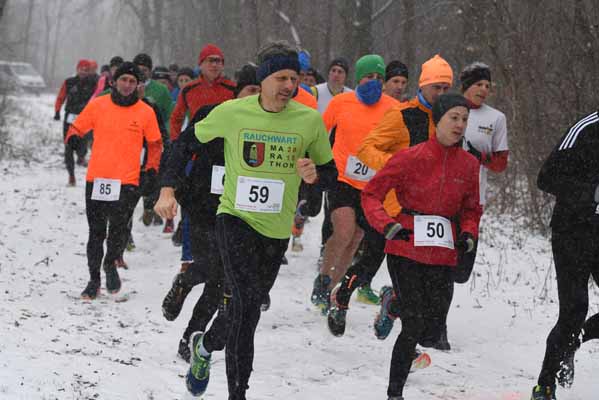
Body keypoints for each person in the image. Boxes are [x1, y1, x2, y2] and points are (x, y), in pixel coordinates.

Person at [155, 41, 337, 399]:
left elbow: (331, 173)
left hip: (275, 230)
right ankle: (238, 392)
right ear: (265, 78)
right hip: (234, 219)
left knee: (247, 310)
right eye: (282, 77)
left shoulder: (308, 120)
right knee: (243, 304)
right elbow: (182, 145)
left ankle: (204, 347)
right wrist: (167, 189)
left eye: (295, 78)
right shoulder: (231, 112)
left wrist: (316, 175)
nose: (290, 85)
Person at [362, 93, 481, 400]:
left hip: (443, 251)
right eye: (453, 117)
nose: (459, 125)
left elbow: (471, 208)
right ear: (437, 120)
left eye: (464, 119)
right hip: (406, 246)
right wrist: (387, 225)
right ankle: (394, 393)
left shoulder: (468, 164)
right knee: (413, 323)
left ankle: (394, 303)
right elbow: (371, 195)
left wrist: (468, 233)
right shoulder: (409, 157)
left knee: (432, 329)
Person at [157, 64, 260, 362]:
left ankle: (189, 338)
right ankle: (185, 282)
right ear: (238, 92)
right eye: (250, 91)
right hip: (203, 204)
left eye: (257, 91)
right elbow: (180, 149)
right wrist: (169, 187)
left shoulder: (267, 126)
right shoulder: (212, 114)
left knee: (220, 283)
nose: (253, 97)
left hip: (240, 211)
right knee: (215, 270)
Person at [357, 54, 455, 345]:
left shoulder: (452, 119)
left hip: (437, 212)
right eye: (436, 87)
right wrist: (398, 167)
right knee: (414, 279)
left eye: (445, 88)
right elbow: (366, 148)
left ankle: (395, 305)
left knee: (431, 280)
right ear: (423, 86)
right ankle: (407, 345)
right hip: (400, 209)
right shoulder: (402, 115)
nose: (440, 94)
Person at [65, 62, 162, 299]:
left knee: (118, 231)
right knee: (96, 233)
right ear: (114, 82)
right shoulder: (98, 105)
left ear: (138, 85)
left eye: (132, 81)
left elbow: (155, 144)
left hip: (127, 181)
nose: (127, 85)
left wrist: (150, 170)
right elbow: (75, 128)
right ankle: (93, 280)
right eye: (123, 80)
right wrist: (74, 140)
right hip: (98, 179)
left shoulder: (145, 111)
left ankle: (110, 264)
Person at [310, 54, 399, 315]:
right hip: (342, 178)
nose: (374, 82)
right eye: (369, 76)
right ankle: (324, 276)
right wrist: (318, 162)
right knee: (344, 231)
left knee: (355, 240)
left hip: (373, 185)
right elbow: (319, 132)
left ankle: (330, 291)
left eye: (379, 78)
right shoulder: (341, 102)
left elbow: (399, 141)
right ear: (358, 78)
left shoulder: (393, 107)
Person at [531, 109, 599, 400]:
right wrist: (592, 193)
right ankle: (544, 387)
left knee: (575, 323)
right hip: (574, 230)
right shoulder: (588, 128)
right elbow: (546, 178)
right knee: (573, 309)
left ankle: (574, 342)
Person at [454, 62, 509, 283]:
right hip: (442, 194)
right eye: (478, 84)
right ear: (466, 85)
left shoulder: (496, 118)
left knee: (461, 271)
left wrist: (480, 157)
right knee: (436, 262)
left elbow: (501, 163)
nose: (484, 90)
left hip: (473, 199)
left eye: (487, 85)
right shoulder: (448, 107)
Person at [133, 53, 174, 228]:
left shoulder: (160, 90)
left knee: (151, 178)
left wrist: (164, 138)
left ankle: (150, 208)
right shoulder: (127, 84)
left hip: (152, 142)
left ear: (150, 71)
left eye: (145, 70)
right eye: (138, 69)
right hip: (131, 143)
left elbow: (167, 114)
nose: (142, 73)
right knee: (132, 183)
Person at [169, 44, 236, 140]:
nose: (214, 65)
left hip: (225, 143)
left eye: (218, 61)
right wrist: (175, 143)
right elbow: (176, 119)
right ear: (201, 65)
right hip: (198, 144)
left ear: (223, 65)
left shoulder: (232, 88)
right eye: (210, 61)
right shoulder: (189, 89)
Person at [54, 59, 98, 186]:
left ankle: (81, 155)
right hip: (70, 119)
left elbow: (100, 95)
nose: (83, 71)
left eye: (86, 69)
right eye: (81, 69)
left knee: (82, 145)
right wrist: (57, 111)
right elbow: (61, 96)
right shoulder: (69, 82)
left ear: (89, 71)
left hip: (86, 119)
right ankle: (71, 176)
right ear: (77, 69)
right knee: (68, 147)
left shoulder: (94, 83)